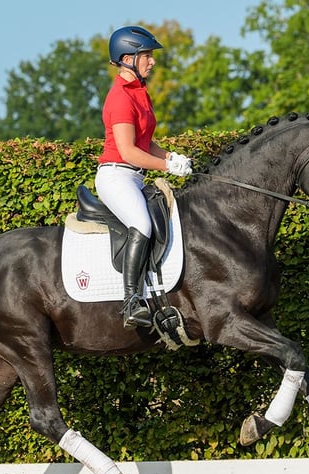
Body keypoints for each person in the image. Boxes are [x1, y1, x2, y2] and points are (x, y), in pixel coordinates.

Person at [95, 25, 193, 329]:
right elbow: (127, 152)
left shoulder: (139, 93)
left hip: (134, 177)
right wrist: (166, 168)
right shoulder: (120, 97)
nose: (151, 61)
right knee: (142, 224)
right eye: (146, 56)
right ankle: (131, 302)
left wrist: (171, 156)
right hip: (116, 177)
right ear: (127, 58)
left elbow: (145, 143)